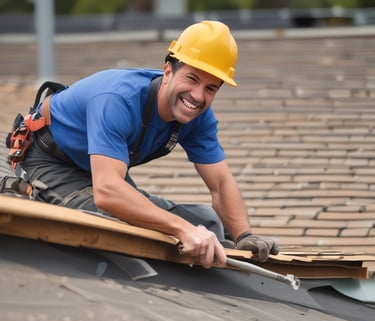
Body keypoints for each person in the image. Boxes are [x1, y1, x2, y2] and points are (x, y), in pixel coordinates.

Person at [12, 20, 279, 269]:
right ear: (167, 72)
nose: (198, 96)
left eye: (211, 88)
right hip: (50, 159)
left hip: (101, 169)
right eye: (192, 79)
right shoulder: (117, 99)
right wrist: (183, 230)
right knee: (117, 227)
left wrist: (244, 234)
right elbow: (108, 192)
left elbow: (221, 184)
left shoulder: (198, 116)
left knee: (207, 223)